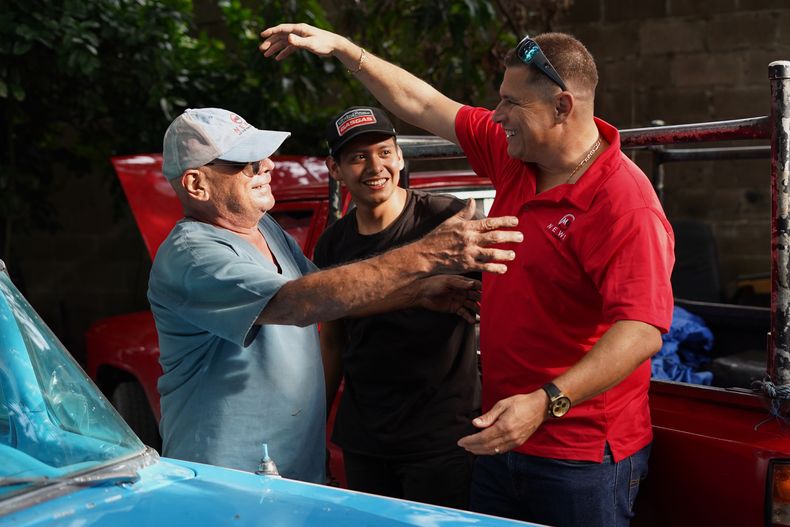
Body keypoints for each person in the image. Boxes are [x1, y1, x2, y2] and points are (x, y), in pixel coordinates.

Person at [259, 25, 675, 526]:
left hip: (579, 454)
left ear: (562, 107)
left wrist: (545, 404)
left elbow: (641, 330)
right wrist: (348, 51)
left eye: (511, 103)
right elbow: (425, 104)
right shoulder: (517, 157)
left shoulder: (623, 203)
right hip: (498, 437)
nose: (497, 115)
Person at [147, 107, 522, 485]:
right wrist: (427, 255)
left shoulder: (265, 228)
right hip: (227, 476)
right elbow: (299, 302)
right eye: (247, 162)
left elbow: (330, 300)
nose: (268, 166)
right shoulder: (192, 256)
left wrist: (417, 294)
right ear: (197, 185)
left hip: (289, 468)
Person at [313, 106, 481, 508]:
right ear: (334, 169)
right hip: (366, 440)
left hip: (444, 437)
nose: (376, 166)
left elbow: (505, 304)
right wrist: (311, 427)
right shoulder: (333, 244)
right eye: (357, 157)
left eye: (384, 152)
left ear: (400, 156)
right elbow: (332, 342)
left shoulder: (446, 218)